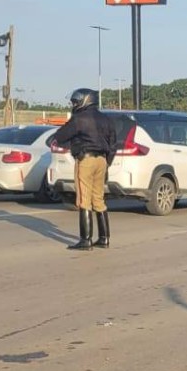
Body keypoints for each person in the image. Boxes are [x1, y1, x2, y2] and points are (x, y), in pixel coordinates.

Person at [53, 89, 117, 251]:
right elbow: (113, 144)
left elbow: (60, 136)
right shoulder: (106, 119)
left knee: (84, 199)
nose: (74, 105)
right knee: (99, 199)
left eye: (76, 101)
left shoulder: (79, 119)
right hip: (102, 160)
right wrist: (107, 162)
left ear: (85, 101)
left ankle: (85, 240)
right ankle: (104, 238)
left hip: (86, 159)